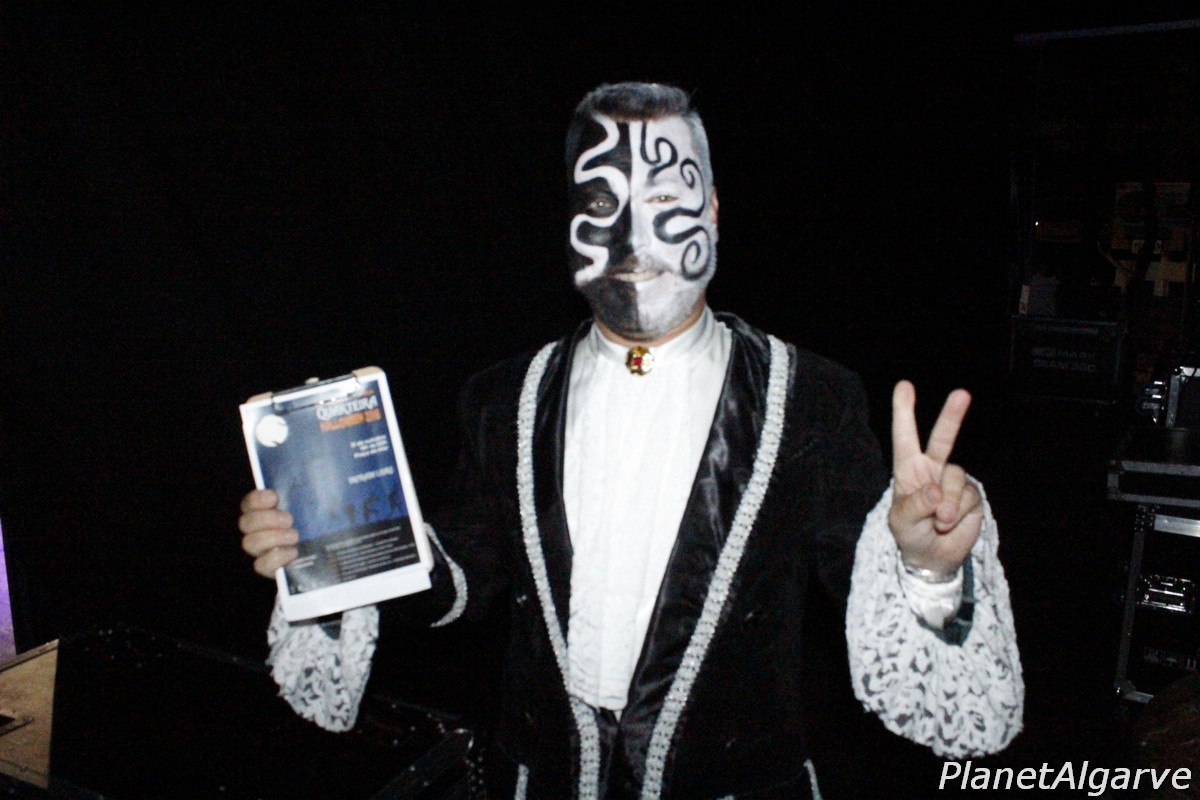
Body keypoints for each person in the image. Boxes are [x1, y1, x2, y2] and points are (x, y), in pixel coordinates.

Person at [239, 82, 1022, 799]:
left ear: (714, 210)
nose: (632, 233)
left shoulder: (813, 398)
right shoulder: (503, 397)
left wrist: (926, 569)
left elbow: (861, 598)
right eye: (601, 200)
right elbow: (467, 582)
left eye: (664, 196)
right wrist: (340, 546)